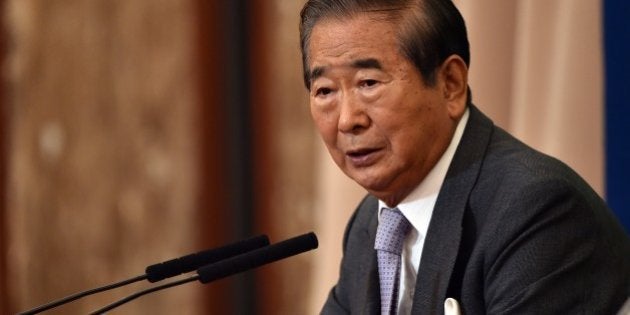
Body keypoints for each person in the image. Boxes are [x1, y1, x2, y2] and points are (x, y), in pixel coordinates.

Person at [298, 0, 630, 314]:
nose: (347, 120)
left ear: (451, 84)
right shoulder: (372, 223)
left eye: (368, 82)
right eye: (325, 90)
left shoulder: (536, 211)